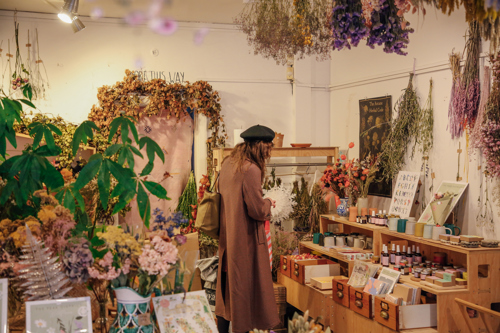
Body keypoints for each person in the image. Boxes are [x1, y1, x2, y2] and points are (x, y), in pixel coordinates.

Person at [215, 125, 280, 333]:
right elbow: (257, 210)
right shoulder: (251, 169)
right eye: (268, 147)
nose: (269, 152)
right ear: (260, 146)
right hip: (246, 240)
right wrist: (269, 202)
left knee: (227, 290)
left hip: (228, 237)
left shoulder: (228, 163)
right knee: (245, 290)